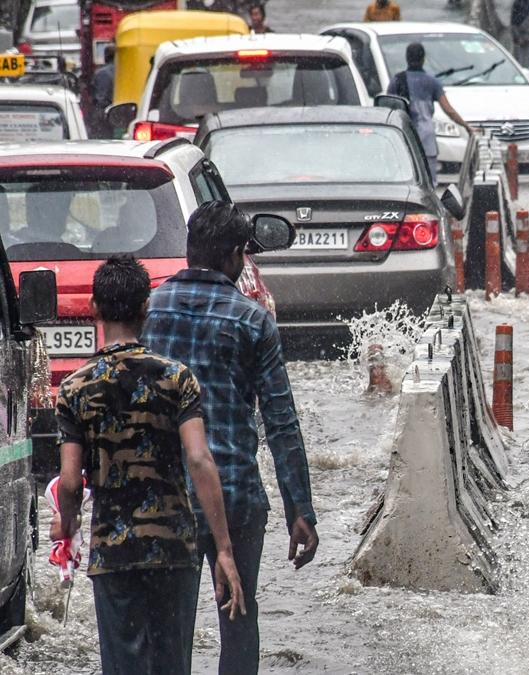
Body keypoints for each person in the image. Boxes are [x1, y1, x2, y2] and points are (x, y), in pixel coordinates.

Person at [142, 202, 318, 675]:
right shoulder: (253, 321)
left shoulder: (149, 311)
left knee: (169, 628)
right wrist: (299, 508)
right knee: (238, 615)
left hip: (165, 498)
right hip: (235, 495)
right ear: (235, 256)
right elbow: (281, 421)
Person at [54, 255, 245, 675]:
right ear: (146, 308)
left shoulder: (74, 389)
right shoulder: (177, 378)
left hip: (114, 554)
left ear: (95, 308)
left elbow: (69, 482)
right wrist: (224, 549)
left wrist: (67, 525)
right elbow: (199, 459)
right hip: (173, 549)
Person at [387, 43, 474, 181]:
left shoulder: (397, 81)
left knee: (407, 177)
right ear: (423, 59)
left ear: (407, 58)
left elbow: (388, 107)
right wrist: (466, 126)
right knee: (429, 180)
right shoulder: (432, 82)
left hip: (404, 136)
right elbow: (449, 110)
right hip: (426, 138)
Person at [91, 44, 116, 139]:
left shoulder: (100, 73)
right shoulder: (123, 71)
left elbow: (98, 97)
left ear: (105, 57)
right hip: (121, 112)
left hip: (103, 112)